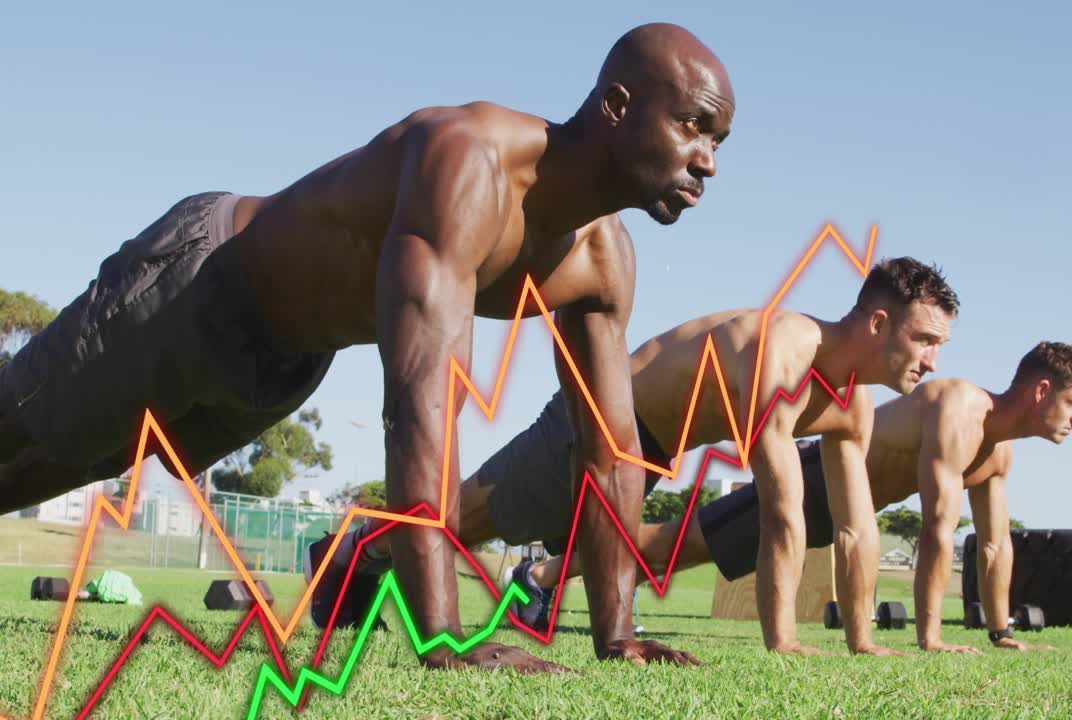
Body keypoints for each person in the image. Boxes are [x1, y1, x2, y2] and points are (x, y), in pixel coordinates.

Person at [0, 22, 735, 673]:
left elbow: (609, 454)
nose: (708, 162)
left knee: (75, 458)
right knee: (20, 416)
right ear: (617, 107)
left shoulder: (605, 261)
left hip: (283, 366)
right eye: (694, 127)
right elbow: (419, 407)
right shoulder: (470, 164)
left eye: (718, 142)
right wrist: (442, 637)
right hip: (198, 284)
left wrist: (618, 633)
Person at [314, 257, 960, 657]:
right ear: (878, 324)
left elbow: (857, 528)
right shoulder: (787, 346)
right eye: (924, 339)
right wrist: (783, 641)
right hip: (601, 418)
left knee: (469, 525)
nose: (933, 360)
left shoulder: (855, 406)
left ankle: (364, 552)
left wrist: (863, 640)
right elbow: (783, 510)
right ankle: (355, 549)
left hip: (647, 454)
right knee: (465, 520)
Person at [526, 341, 1072, 653]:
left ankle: (549, 573)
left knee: (679, 548)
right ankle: (543, 576)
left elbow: (994, 548)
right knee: (676, 546)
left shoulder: (999, 453)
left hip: (847, 506)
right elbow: (936, 530)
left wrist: (1001, 634)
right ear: (1041, 389)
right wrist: (932, 639)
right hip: (816, 478)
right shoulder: (960, 408)